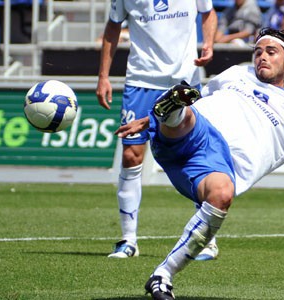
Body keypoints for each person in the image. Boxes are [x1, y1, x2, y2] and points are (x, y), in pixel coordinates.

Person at [115, 28, 284, 300]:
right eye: (258, 52)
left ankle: (162, 276)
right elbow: (202, 97)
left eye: (271, 52)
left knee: (222, 194)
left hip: (215, 166)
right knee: (188, 106)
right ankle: (171, 109)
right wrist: (149, 119)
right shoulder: (238, 73)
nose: (262, 57)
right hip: (197, 132)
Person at [95, 0, 219, 260]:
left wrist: (209, 43)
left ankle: (207, 239)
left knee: (195, 156)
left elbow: (208, 14)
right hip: (141, 80)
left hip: (184, 79)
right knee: (131, 156)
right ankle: (128, 240)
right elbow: (112, 26)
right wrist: (103, 76)